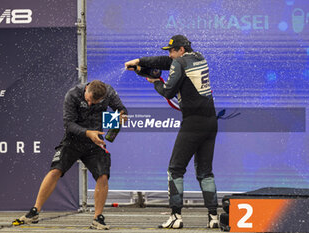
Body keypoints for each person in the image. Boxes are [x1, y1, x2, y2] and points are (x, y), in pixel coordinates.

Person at [125, 35, 219, 229]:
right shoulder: (200, 57)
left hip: (192, 123)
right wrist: (140, 62)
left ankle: (176, 216)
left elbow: (168, 91)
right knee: (205, 172)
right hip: (211, 122)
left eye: (171, 51)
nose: (169, 55)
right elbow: (167, 62)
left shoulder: (179, 63)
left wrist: (155, 82)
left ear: (181, 50)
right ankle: (213, 217)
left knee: (175, 170)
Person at [14, 80, 127, 230]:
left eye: (95, 102)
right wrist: (88, 133)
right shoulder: (73, 94)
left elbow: (122, 110)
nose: (90, 104)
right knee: (55, 170)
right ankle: (34, 211)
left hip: (95, 142)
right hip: (72, 141)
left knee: (103, 175)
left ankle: (98, 218)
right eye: (88, 100)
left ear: (103, 97)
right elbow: (68, 124)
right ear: (86, 90)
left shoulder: (109, 92)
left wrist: (121, 117)